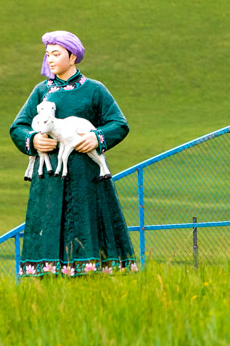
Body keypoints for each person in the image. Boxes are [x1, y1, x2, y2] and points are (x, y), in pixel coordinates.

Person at [10, 31, 138, 276]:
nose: (50, 59)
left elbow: (119, 124)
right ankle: (46, 277)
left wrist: (96, 138)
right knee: (48, 227)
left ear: (73, 56)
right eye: (47, 55)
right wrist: (34, 140)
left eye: (56, 54)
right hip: (48, 182)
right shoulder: (40, 92)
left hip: (87, 179)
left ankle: (93, 274)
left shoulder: (94, 90)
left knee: (87, 224)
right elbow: (18, 127)